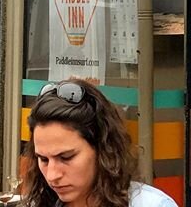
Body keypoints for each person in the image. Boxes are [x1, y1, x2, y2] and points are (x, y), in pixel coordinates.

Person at [23, 79, 178, 207]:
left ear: (102, 148)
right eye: (43, 159)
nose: (52, 175)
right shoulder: (40, 202)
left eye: (66, 157)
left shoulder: (152, 204)